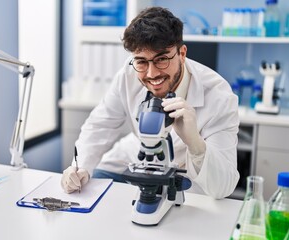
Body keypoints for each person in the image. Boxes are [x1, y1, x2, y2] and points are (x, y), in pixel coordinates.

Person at [61, 6, 240, 199]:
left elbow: (224, 186)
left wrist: (195, 144)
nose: (152, 74)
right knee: (96, 182)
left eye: (162, 59)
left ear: (182, 53)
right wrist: (78, 168)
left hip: (188, 175)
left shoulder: (219, 96)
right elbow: (100, 125)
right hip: (135, 157)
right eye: (141, 62)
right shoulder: (128, 75)